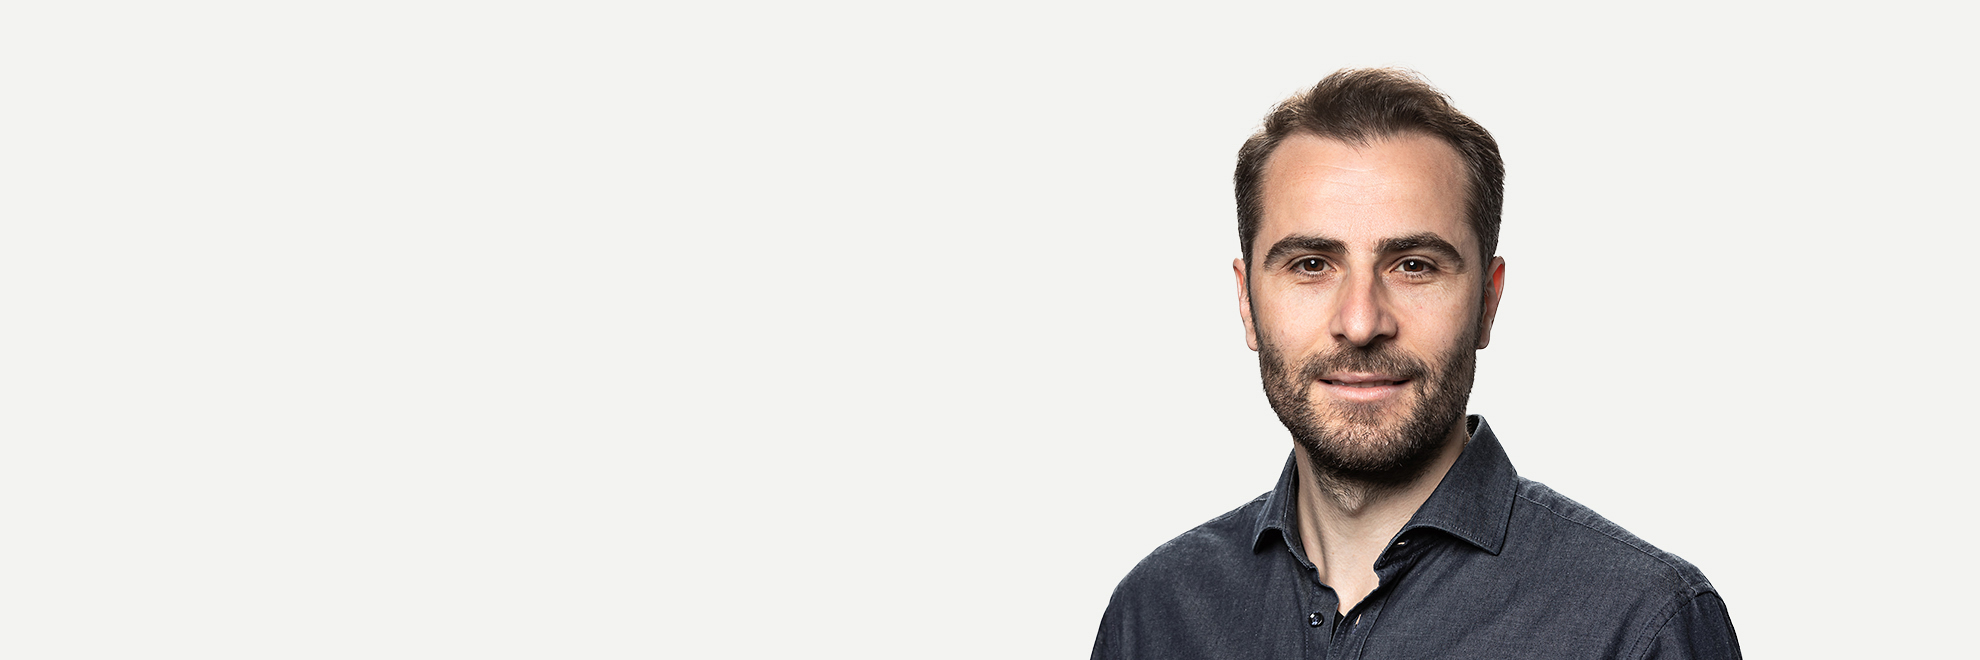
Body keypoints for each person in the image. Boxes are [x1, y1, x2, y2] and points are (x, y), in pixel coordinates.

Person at [1089, 69, 1741, 659]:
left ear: (1487, 302)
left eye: (1413, 266)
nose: (1361, 322)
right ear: (1247, 302)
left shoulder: (1639, 625)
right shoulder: (1154, 615)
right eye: (1311, 265)